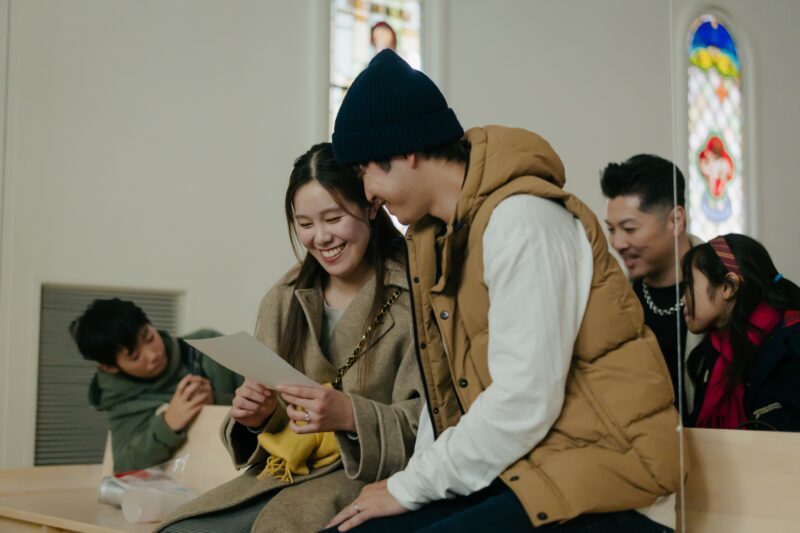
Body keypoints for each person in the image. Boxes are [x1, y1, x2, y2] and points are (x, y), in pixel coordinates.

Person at [326, 49, 680, 532]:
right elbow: (444, 396)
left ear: (405, 150)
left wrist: (410, 489)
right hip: (527, 466)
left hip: (609, 472)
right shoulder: (438, 237)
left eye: (365, 170)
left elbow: (523, 400)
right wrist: (411, 486)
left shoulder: (523, 221)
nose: (367, 194)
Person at [157, 143, 422, 533]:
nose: (321, 237)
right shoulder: (283, 298)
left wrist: (350, 415)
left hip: (367, 478)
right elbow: (274, 411)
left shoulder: (415, 297)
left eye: (333, 218)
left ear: (370, 207)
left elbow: (434, 424)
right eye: (305, 224)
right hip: (281, 473)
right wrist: (256, 417)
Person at [69, 298, 242, 473]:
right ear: (109, 367)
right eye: (135, 357)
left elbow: (260, 397)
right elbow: (124, 468)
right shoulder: (121, 400)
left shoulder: (207, 345)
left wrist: (216, 401)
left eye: (149, 337)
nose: (152, 355)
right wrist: (167, 424)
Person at [601, 154, 704, 409]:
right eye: (612, 229)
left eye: (629, 229)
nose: (617, 243)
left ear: (675, 220)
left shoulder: (726, 291)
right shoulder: (615, 298)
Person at [682, 234, 800, 431]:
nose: (682, 300)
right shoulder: (714, 351)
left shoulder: (791, 344)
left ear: (728, 287)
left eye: (688, 284)